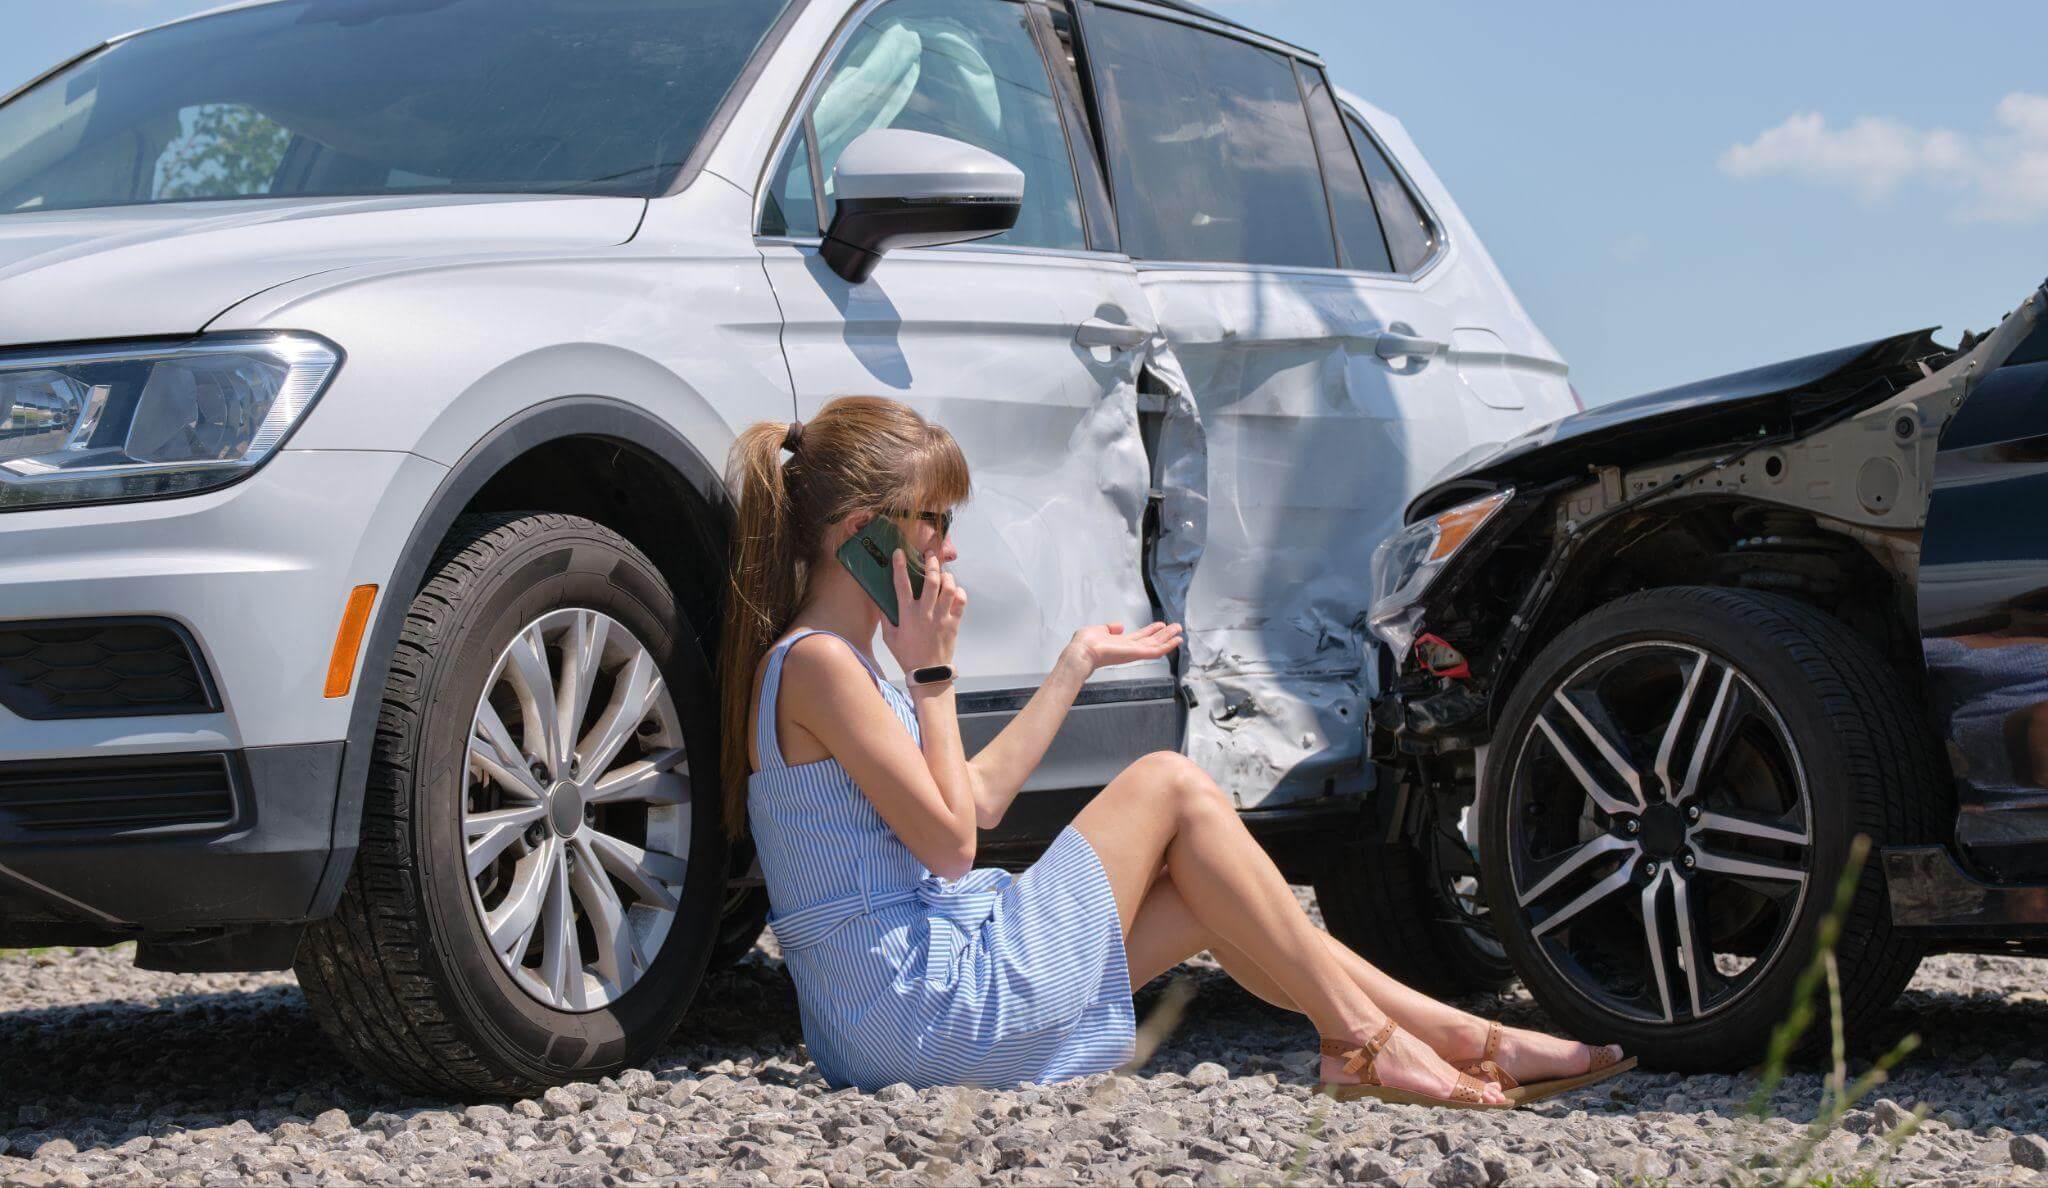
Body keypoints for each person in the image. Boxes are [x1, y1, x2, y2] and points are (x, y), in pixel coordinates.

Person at [718, 395, 1632, 1106]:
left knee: (1208, 893)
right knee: (1171, 785)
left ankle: (1465, 1042)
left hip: (891, 1014)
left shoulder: (844, 665)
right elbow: (954, 847)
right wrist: (933, 675)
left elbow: (977, 803)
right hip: (919, 1012)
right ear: (862, 535)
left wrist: (1074, 665)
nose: (948, 550)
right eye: (933, 521)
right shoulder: (823, 667)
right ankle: (1362, 1042)